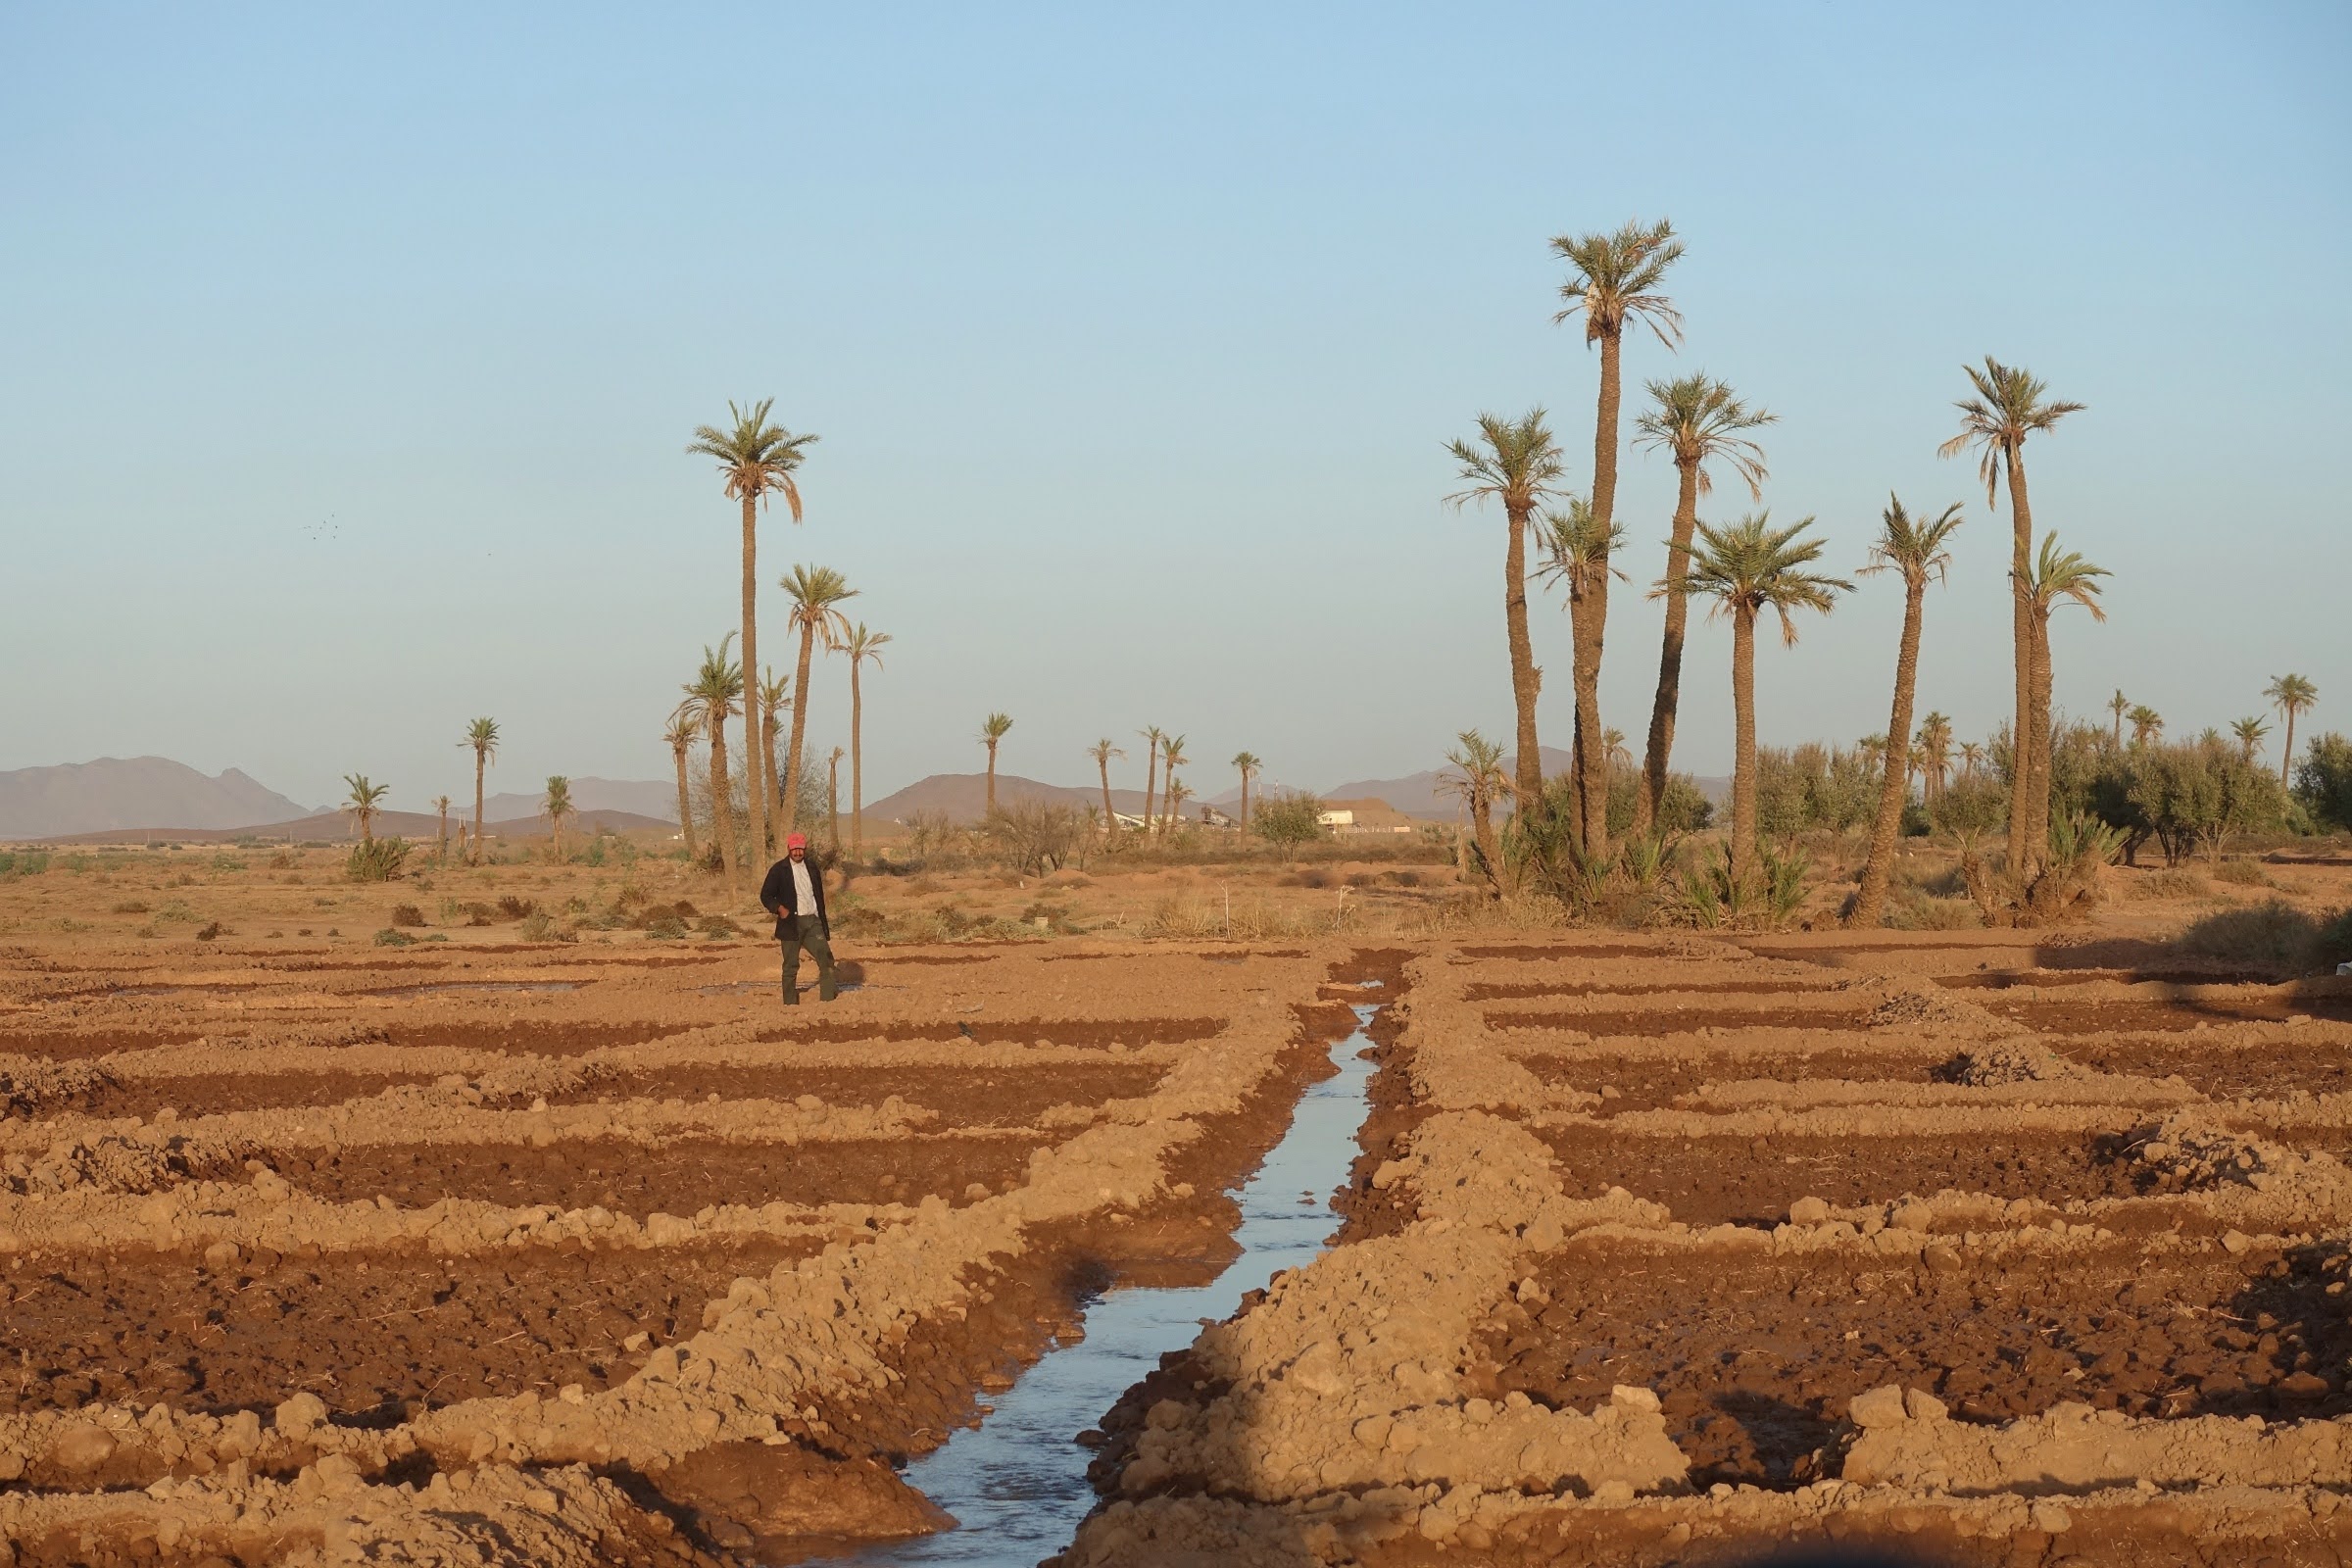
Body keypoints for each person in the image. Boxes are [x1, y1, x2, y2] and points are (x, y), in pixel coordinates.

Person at [759, 832, 837, 1004]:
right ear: (789, 849)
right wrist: (779, 909)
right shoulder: (779, 870)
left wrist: (821, 917)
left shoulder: (812, 867)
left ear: (805, 849)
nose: (797, 853)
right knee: (790, 965)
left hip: (813, 921)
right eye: (794, 849)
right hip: (791, 923)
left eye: (800, 849)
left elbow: (818, 894)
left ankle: (828, 1000)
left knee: (826, 958)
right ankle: (790, 1003)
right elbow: (765, 895)